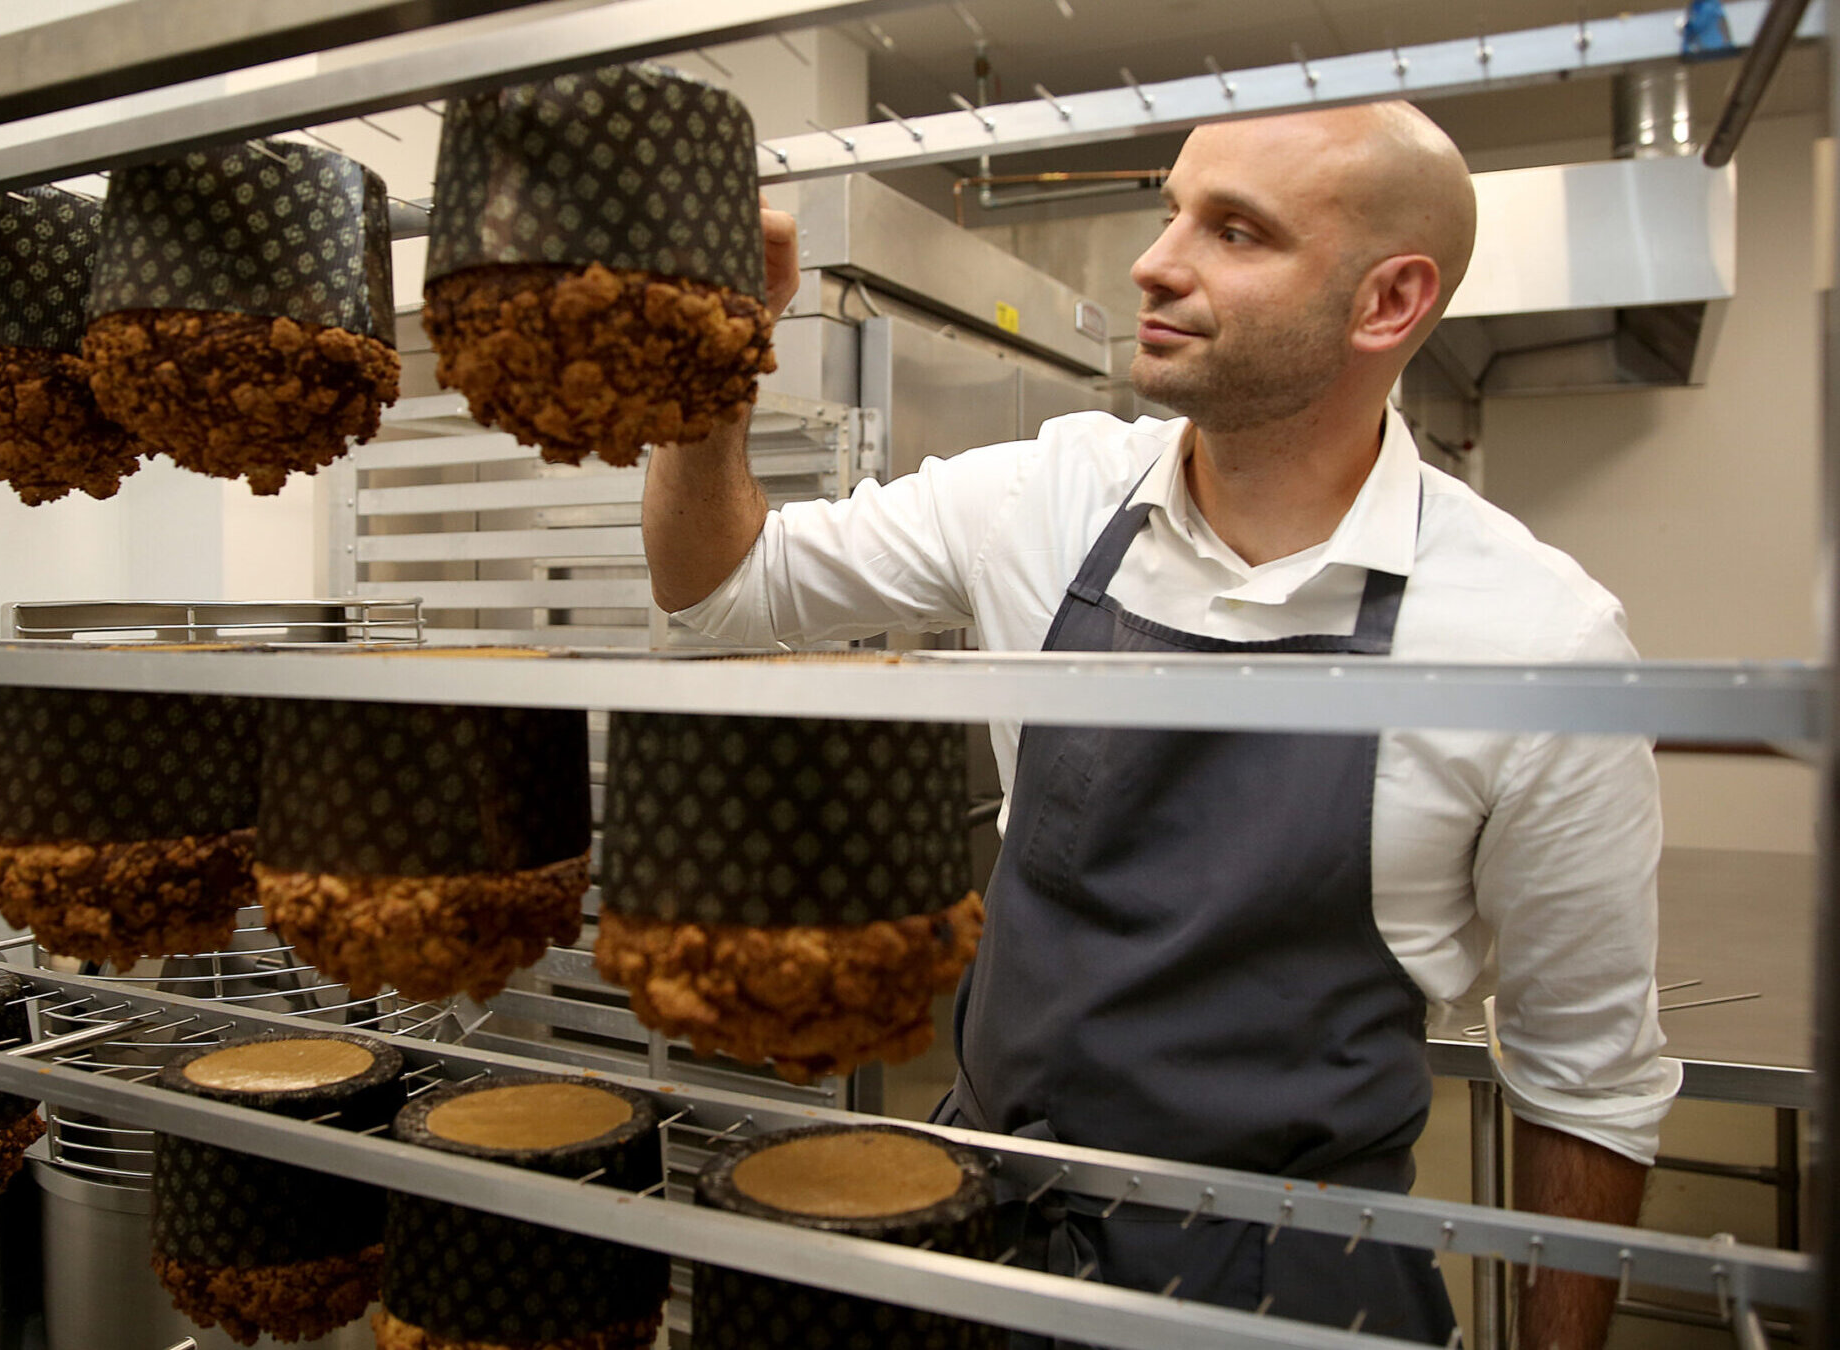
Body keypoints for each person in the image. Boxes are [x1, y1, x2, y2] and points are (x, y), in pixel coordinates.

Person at [644, 101, 1677, 1349]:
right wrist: (710, 356)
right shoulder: (1045, 497)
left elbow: (1587, 1085)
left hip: (1293, 1290)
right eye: (1171, 208)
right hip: (982, 1243)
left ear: (1386, 304)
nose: (1153, 259)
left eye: (1234, 231)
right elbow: (718, 593)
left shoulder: (1534, 642)